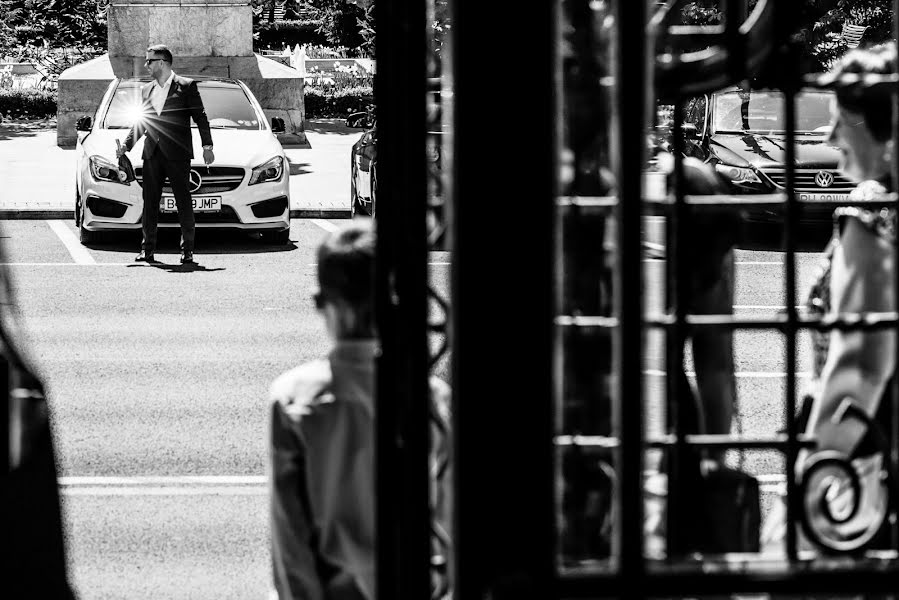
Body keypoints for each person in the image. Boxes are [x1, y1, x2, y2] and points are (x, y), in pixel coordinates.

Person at [267, 220, 452, 600]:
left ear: (322, 304)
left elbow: (291, 546)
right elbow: (448, 522)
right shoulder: (434, 400)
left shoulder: (294, 399)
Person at [763, 41, 897, 549]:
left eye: (843, 120)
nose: (832, 135)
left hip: (858, 454)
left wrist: (807, 487)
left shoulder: (873, 209)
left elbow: (859, 367)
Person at [116, 43, 215, 265]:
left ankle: (187, 251)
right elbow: (141, 122)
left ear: (161, 62)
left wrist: (207, 146)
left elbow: (200, 117)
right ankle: (147, 250)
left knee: (183, 201)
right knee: (149, 202)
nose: (146, 65)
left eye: (149, 61)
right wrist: (126, 146)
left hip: (178, 154)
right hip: (152, 153)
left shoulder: (186, 86)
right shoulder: (146, 90)